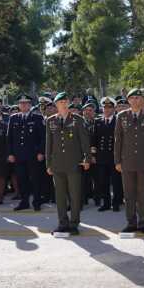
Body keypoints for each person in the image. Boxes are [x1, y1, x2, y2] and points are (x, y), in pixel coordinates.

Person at [45, 92, 91, 235]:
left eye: (65, 102)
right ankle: (62, 223)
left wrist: (87, 158)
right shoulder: (51, 120)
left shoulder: (77, 119)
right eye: (60, 102)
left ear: (68, 103)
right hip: (57, 164)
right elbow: (49, 144)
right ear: (56, 105)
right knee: (60, 196)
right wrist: (48, 164)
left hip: (74, 163)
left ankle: (74, 223)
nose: (63, 104)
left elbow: (84, 141)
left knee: (75, 195)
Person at [114, 88, 144, 233]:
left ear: (143, 101)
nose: (135, 101)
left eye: (138, 98)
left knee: (143, 194)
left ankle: (143, 223)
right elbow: (118, 140)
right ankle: (131, 222)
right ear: (128, 100)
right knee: (129, 194)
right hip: (126, 162)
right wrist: (117, 161)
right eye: (132, 98)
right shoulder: (121, 116)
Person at [7, 94, 46, 211]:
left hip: (33, 155)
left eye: (26, 103)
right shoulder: (14, 118)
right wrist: (10, 153)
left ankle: (37, 202)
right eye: (21, 103)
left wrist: (40, 152)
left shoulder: (37, 118)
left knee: (35, 179)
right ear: (19, 105)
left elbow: (43, 138)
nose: (24, 105)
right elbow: (9, 138)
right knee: (21, 179)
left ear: (30, 105)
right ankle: (24, 202)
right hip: (19, 155)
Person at [92, 97, 121, 212]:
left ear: (114, 109)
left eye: (109, 107)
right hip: (102, 157)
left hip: (114, 156)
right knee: (103, 182)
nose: (107, 110)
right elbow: (94, 139)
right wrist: (93, 155)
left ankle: (116, 203)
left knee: (116, 182)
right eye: (105, 107)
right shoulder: (97, 121)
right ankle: (106, 203)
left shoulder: (118, 121)